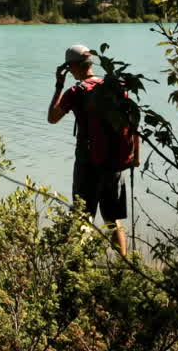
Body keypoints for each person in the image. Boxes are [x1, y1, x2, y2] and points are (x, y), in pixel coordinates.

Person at [47, 44, 129, 257]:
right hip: (114, 161)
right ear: (90, 63)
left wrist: (59, 85)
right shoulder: (111, 86)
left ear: (70, 67)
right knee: (112, 219)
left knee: (83, 217)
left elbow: (52, 118)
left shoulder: (76, 91)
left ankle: (81, 267)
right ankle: (125, 266)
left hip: (87, 162)